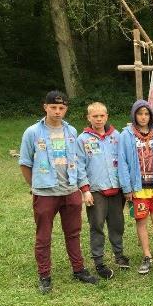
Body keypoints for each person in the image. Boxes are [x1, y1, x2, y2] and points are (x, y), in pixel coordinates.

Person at [19, 90, 98, 293]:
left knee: (73, 233)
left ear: (66, 109)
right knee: (43, 236)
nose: (57, 111)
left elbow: (77, 161)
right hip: (45, 193)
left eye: (61, 108)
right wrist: (34, 185)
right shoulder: (33, 133)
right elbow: (25, 163)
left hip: (70, 190)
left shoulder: (71, 131)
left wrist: (81, 186)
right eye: (53, 107)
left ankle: (78, 269)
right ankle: (44, 275)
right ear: (45, 107)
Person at [118, 100, 153, 274]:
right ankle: (146, 255)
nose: (143, 117)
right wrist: (127, 187)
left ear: (151, 116)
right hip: (137, 187)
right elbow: (123, 163)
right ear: (134, 115)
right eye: (140, 113)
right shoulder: (126, 135)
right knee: (141, 220)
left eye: (146, 113)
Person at [76, 102, 129, 280]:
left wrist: (126, 186)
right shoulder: (83, 139)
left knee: (117, 224)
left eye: (102, 116)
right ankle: (99, 261)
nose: (99, 119)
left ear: (107, 116)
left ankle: (119, 254)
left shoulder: (117, 136)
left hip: (116, 190)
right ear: (88, 117)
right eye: (95, 116)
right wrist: (85, 190)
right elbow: (79, 166)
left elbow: (125, 161)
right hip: (96, 191)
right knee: (97, 225)